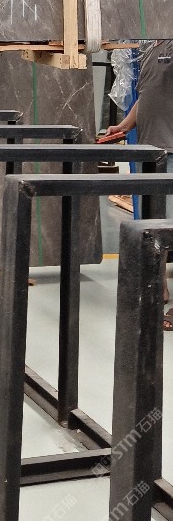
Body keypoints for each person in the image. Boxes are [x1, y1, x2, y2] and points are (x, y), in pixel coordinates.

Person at [100, 40, 173, 328]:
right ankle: (158, 290)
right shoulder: (152, 47)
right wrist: (126, 124)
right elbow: (148, 93)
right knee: (154, 225)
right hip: (150, 150)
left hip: (172, 151)